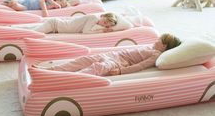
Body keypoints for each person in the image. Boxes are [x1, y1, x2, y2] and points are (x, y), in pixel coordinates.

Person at [34, 34, 181, 76]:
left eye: (160, 41)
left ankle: (73, 77)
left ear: (165, 46)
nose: (156, 40)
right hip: (112, 54)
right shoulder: (151, 47)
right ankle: (51, 71)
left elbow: (140, 66)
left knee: (99, 67)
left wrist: (121, 71)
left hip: (119, 63)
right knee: (82, 60)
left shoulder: (156, 55)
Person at [34, 13, 118, 34]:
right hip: (54, 25)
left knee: (33, 31)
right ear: (103, 16)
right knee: (33, 33)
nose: (104, 24)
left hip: (55, 27)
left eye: (106, 25)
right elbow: (85, 32)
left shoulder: (95, 23)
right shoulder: (94, 18)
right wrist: (103, 31)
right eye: (105, 21)